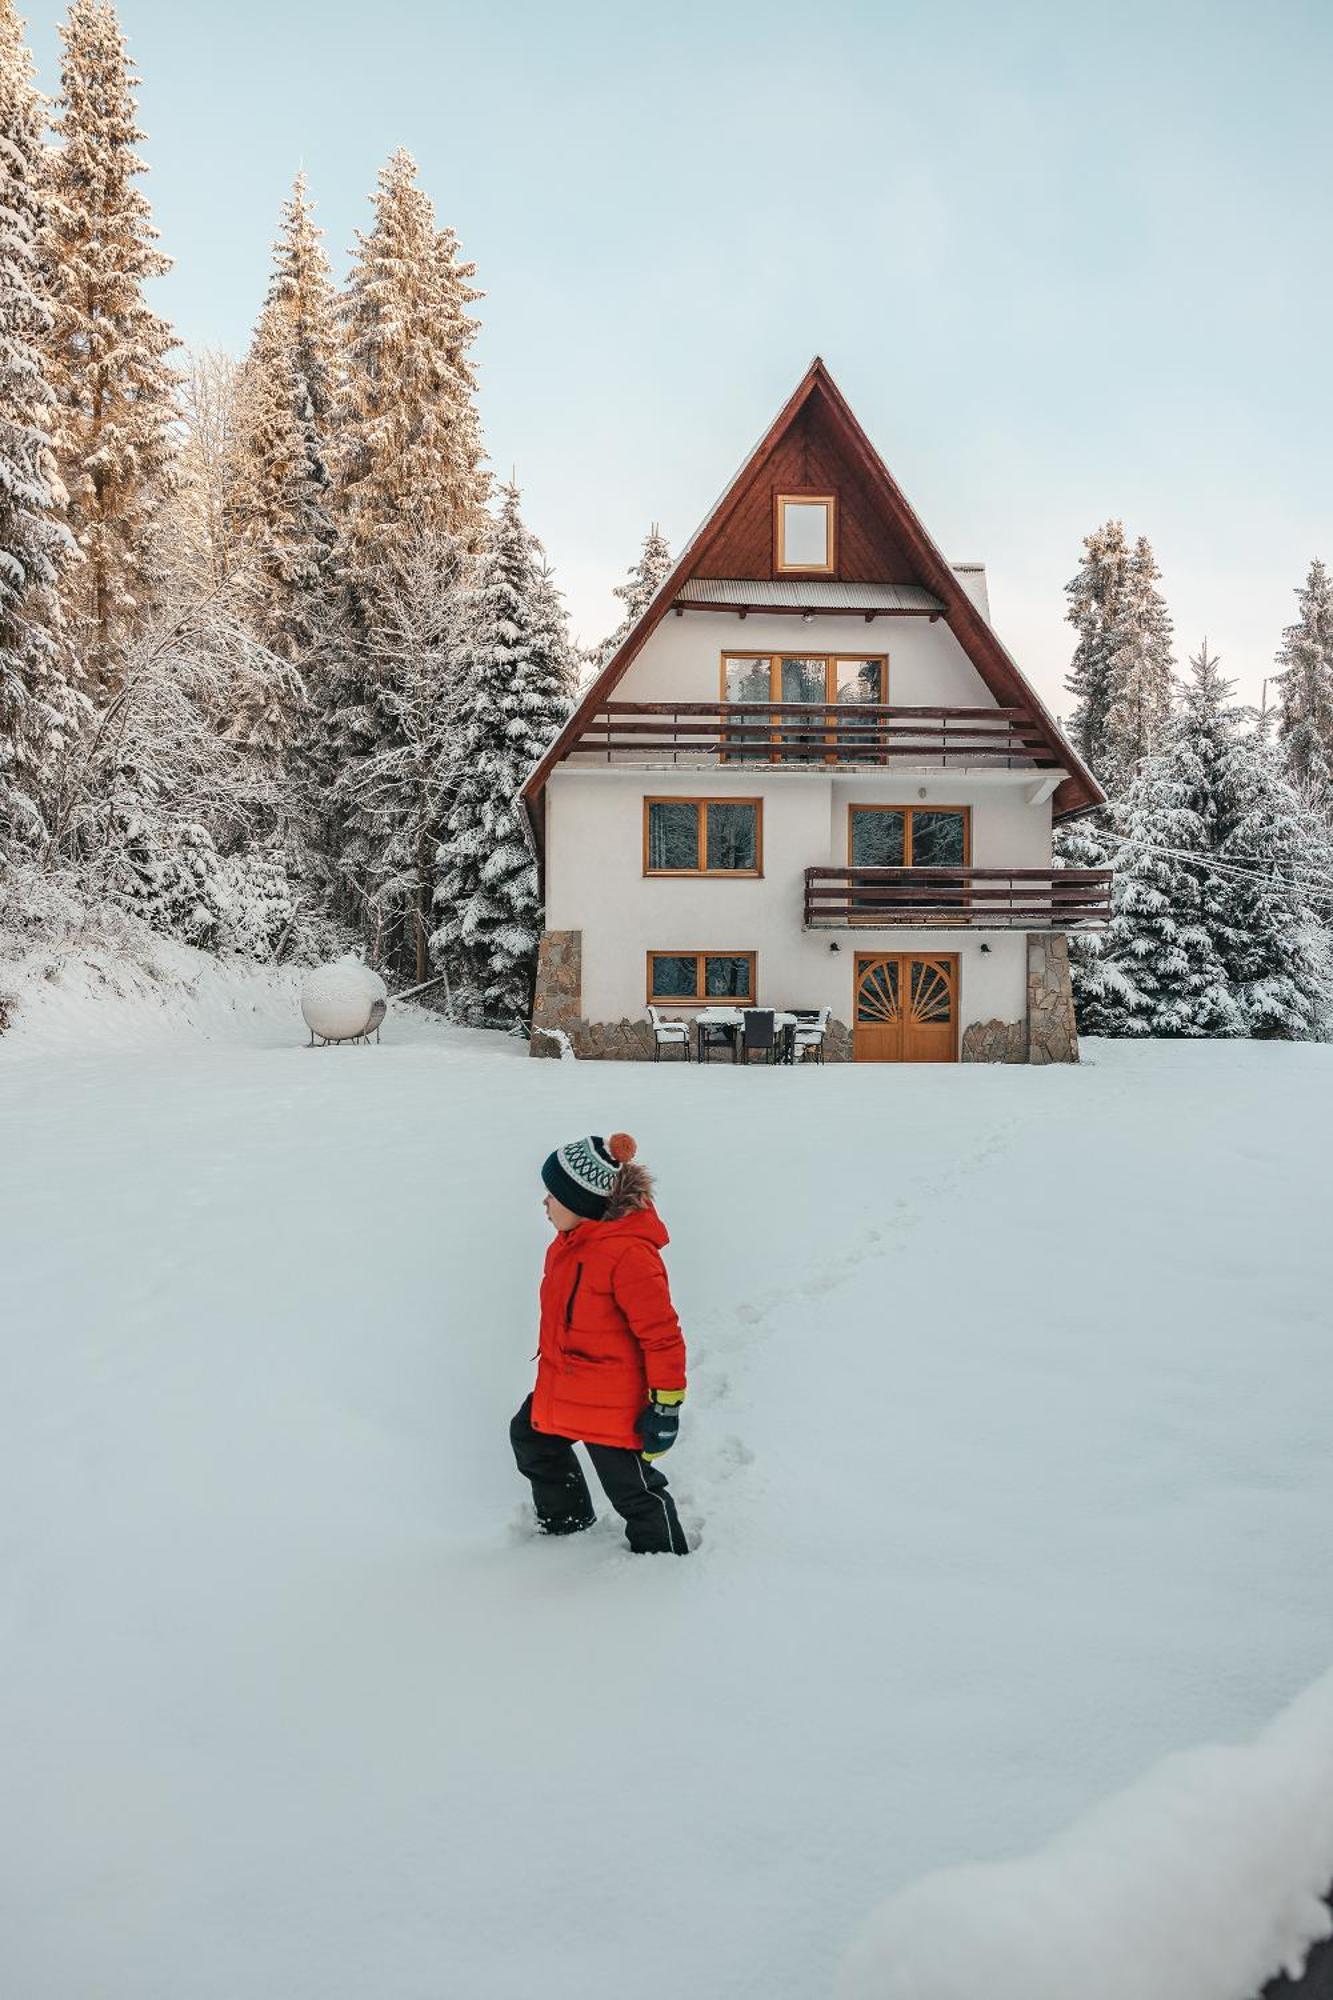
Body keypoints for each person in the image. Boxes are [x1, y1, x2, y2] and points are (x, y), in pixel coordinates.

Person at [510, 1132, 689, 1556]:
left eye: (553, 1195)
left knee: (633, 1490)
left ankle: (664, 1561)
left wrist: (665, 1406)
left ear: (583, 1203)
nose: (545, 1203)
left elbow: (662, 1336)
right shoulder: (570, 1245)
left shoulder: (629, 1256)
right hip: (568, 1384)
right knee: (531, 1438)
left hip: (612, 1401)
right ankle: (566, 1523)